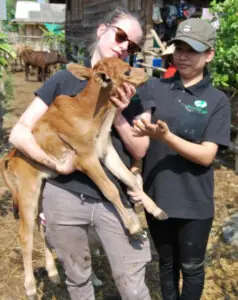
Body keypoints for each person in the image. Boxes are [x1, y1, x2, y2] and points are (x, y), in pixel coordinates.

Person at [9, 7, 153, 300]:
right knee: (77, 279)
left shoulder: (132, 85)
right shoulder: (65, 79)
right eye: (121, 36)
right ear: (102, 30)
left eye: (133, 45)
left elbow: (139, 149)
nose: (125, 46)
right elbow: (19, 132)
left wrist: (121, 112)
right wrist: (56, 165)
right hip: (65, 195)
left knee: (133, 283)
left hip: (114, 199)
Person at [132, 18, 231, 300]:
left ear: (209, 54)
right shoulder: (154, 88)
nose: (183, 56)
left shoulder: (216, 100)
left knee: (191, 266)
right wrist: (136, 166)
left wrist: (167, 138)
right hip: (157, 196)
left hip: (194, 202)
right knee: (165, 264)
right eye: (179, 48)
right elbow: (136, 135)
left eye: (192, 50)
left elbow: (207, 155)